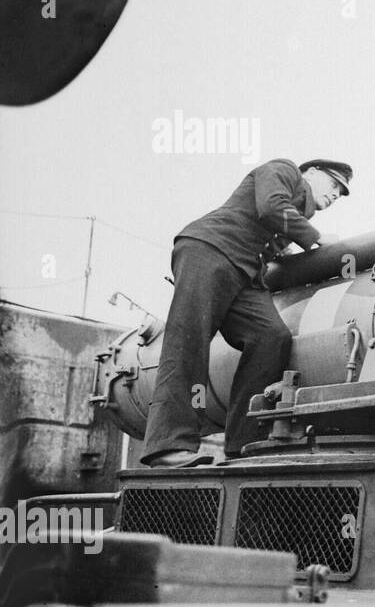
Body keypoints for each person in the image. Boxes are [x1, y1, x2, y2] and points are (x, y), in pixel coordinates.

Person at [140, 158, 351, 467]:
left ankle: (243, 443)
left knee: (271, 337)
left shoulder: (298, 211)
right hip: (210, 249)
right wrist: (317, 238)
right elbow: (270, 206)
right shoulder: (284, 170)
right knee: (189, 341)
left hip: (246, 272)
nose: (336, 195)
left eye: (341, 193)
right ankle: (167, 445)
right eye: (334, 184)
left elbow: (268, 232)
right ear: (313, 172)